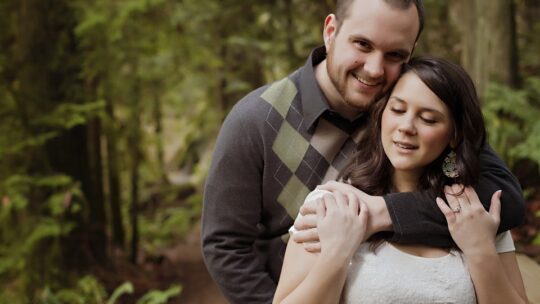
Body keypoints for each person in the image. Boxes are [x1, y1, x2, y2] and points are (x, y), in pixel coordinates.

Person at [201, 0, 525, 303]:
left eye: (395, 55)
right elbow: (225, 245)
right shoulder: (256, 119)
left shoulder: (406, 109)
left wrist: (380, 211)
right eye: (362, 45)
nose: (374, 69)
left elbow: (503, 199)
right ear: (330, 32)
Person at [274, 56, 528, 303]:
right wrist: (337, 253)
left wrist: (481, 251)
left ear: (454, 135)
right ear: (381, 114)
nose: (406, 126)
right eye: (397, 109)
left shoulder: (476, 214)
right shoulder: (334, 205)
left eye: (428, 119)